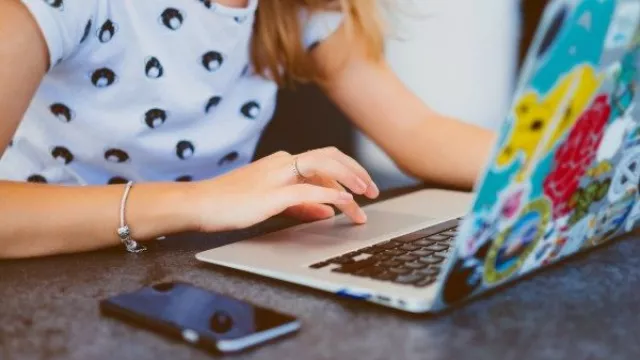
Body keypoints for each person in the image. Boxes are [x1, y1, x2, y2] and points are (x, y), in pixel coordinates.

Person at [0, 0, 494, 259]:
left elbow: (417, 129)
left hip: (197, 269)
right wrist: (201, 202)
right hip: (51, 270)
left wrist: (560, 163)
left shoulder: (296, 7)